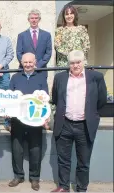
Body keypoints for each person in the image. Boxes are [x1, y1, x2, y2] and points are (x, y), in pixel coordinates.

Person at [51, 50, 107, 192]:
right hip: (64, 124)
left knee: (83, 162)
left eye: (78, 62)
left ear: (84, 62)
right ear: (68, 64)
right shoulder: (60, 78)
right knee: (63, 160)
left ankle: (81, 188)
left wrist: (90, 114)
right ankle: (63, 187)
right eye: (72, 63)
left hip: (85, 125)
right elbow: (56, 98)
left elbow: (101, 100)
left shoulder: (96, 77)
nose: (75, 65)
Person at [8, 53, 49, 191]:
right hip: (17, 119)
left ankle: (34, 178)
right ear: (21, 62)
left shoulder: (41, 78)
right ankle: (18, 176)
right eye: (25, 62)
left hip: (35, 119)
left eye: (30, 62)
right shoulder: (15, 77)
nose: (28, 64)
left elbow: (45, 98)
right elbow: (10, 96)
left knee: (35, 148)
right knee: (16, 148)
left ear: (35, 62)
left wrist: (45, 117)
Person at [16, 9, 52, 78]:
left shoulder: (47, 35)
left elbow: (48, 52)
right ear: (28, 19)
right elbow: (19, 53)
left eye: (36, 18)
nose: (34, 20)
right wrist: (28, 65)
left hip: (41, 70)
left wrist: (38, 65)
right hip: (25, 70)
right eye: (32, 18)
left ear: (39, 19)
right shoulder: (21, 35)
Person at [55, 5, 90, 69]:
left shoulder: (82, 29)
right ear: (64, 16)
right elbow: (58, 46)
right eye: (67, 14)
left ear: (75, 15)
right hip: (65, 64)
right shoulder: (59, 30)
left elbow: (87, 46)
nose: (69, 16)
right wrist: (71, 56)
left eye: (71, 13)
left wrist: (77, 57)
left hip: (80, 63)